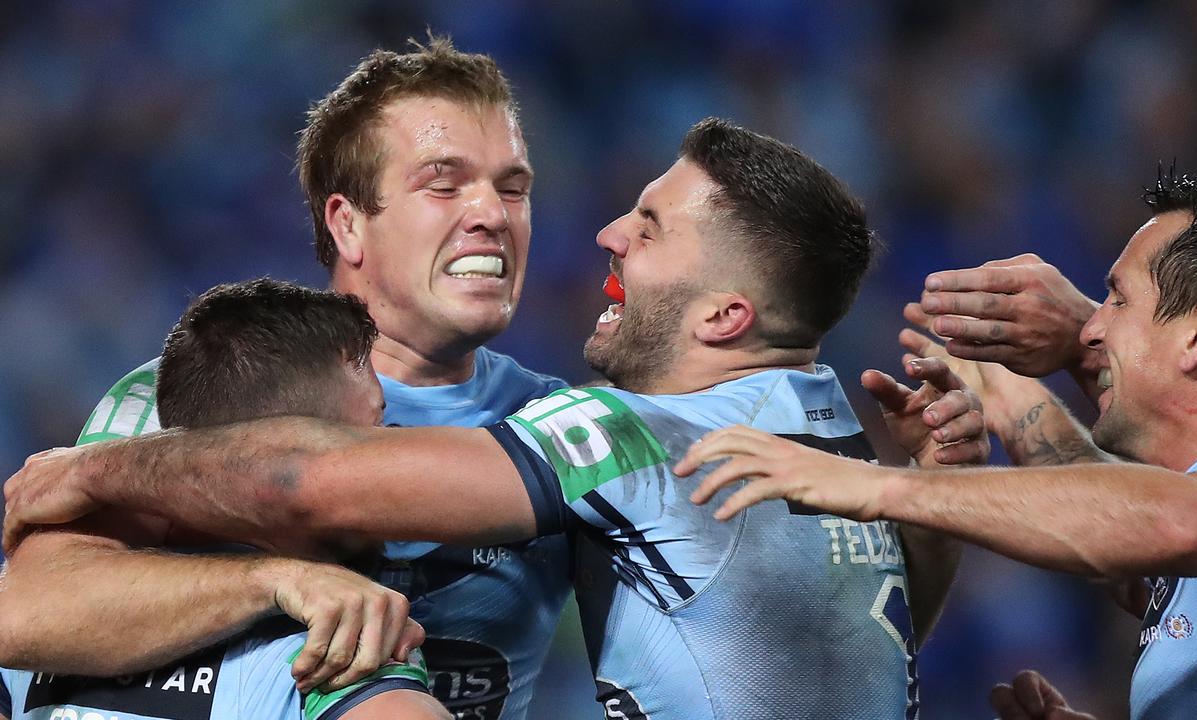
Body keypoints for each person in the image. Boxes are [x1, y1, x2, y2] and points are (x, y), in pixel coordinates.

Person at [4, 118, 989, 719]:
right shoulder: (831, 434)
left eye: (645, 229)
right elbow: (846, 648)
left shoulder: (636, 435)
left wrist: (93, 471)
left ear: (723, 316)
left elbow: (303, 481)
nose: (605, 233)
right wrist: (936, 505)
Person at [0, 36, 571, 719]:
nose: (492, 215)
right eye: (443, 184)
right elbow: (28, 616)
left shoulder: (564, 428)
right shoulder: (195, 386)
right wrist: (280, 581)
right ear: (348, 224)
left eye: (514, 188)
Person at [675, 173, 1197, 720]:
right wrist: (1007, 398)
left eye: (1118, 300)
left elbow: (1173, 523)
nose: (1092, 326)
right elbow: (1127, 537)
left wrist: (877, 486)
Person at [0, 278, 450, 720]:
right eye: (368, 431)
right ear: (277, 463)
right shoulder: (338, 647)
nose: (384, 453)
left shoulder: (51, 610)